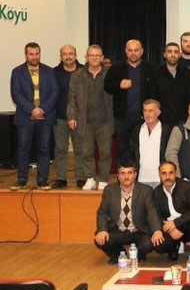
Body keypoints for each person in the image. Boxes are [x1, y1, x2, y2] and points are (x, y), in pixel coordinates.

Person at [10, 42, 58, 191]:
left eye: (37, 53)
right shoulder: (17, 71)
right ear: (26, 55)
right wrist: (32, 109)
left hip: (46, 116)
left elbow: (55, 92)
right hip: (25, 116)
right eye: (31, 54)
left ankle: (42, 180)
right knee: (23, 149)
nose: (34, 57)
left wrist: (42, 109)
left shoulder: (49, 71)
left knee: (44, 149)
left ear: (40, 54)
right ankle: (22, 180)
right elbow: (16, 94)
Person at [94, 161, 163, 263]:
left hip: (138, 231)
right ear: (118, 176)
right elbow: (102, 212)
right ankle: (119, 255)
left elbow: (151, 212)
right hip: (118, 231)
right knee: (100, 239)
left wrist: (157, 230)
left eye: (130, 173)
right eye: (123, 173)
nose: (126, 177)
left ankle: (140, 254)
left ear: (135, 175)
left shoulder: (146, 190)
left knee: (148, 244)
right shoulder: (109, 190)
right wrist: (102, 230)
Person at [67, 44, 114, 191]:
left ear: (102, 58)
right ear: (86, 57)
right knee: (86, 152)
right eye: (91, 55)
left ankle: (103, 179)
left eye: (97, 55)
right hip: (84, 121)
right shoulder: (77, 75)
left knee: (105, 153)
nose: (94, 58)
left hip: (105, 121)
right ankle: (90, 178)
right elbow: (72, 98)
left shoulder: (110, 74)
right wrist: (71, 117)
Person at [104, 39, 154, 161]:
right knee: (123, 149)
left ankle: (140, 173)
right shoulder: (116, 68)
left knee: (142, 149)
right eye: (130, 50)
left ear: (141, 51)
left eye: (136, 50)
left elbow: (155, 91)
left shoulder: (150, 68)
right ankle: (124, 172)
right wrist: (119, 85)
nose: (133, 53)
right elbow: (107, 86)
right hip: (122, 117)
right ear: (126, 51)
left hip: (144, 117)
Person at [152, 161, 190, 265]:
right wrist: (169, 229)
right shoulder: (156, 192)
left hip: (187, 225)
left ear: (176, 173)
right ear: (159, 175)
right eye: (164, 173)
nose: (168, 177)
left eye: (171, 173)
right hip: (169, 228)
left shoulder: (187, 187)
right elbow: (155, 216)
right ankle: (174, 247)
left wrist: (176, 223)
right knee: (159, 244)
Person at [52, 44, 83, 189]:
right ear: (61, 57)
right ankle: (61, 178)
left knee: (80, 149)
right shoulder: (54, 73)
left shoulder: (84, 71)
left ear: (76, 56)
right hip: (60, 117)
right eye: (65, 54)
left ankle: (81, 178)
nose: (68, 56)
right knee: (60, 149)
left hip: (80, 118)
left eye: (71, 53)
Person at [129, 99, 172, 189]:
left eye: (150, 111)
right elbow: (132, 153)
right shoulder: (137, 130)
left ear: (158, 112)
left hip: (160, 179)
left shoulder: (167, 131)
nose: (147, 114)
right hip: (141, 179)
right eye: (145, 111)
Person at [150, 42, 190, 126]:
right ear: (165, 54)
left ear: (179, 55)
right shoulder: (155, 73)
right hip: (162, 119)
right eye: (170, 51)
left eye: (176, 52)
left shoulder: (186, 72)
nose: (173, 55)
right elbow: (152, 97)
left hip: (182, 120)